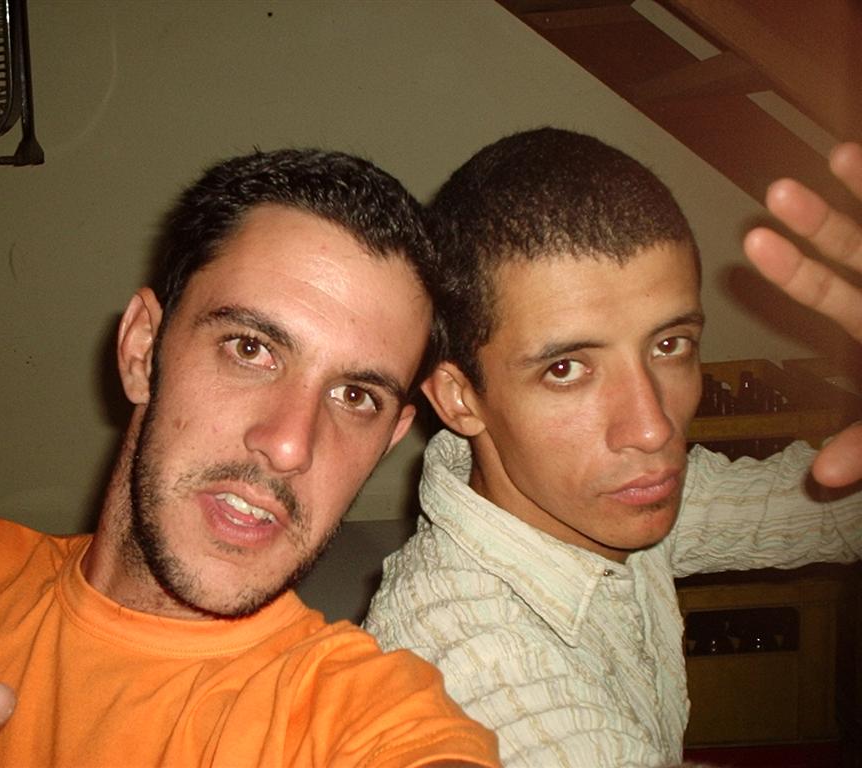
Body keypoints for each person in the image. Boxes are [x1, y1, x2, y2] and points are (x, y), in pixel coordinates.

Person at [0, 148, 499, 768]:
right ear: (142, 351)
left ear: (390, 438)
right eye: (250, 349)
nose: (290, 445)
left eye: (355, 396)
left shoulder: (368, 714)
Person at [364, 128, 862, 767]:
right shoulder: (473, 670)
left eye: (669, 345)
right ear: (460, 398)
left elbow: (820, 512)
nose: (653, 428)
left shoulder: (579, 498)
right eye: (566, 369)